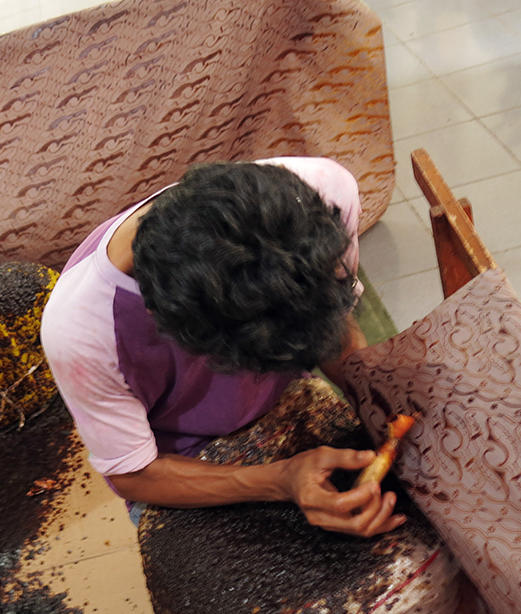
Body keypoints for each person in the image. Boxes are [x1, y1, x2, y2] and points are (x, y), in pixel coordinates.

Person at [40, 158, 405, 537]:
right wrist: (281, 480)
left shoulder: (323, 196)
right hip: (180, 458)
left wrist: (378, 407)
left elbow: (330, 320)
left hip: (283, 399)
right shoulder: (81, 331)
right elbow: (134, 474)